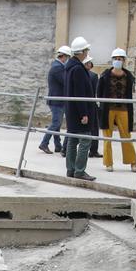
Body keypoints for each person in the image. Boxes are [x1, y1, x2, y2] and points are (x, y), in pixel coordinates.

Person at [96, 48, 136, 172]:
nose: (117, 61)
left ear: (123, 60)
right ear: (112, 60)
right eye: (115, 59)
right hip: (108, 109)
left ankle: (132, 162)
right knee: (107, 137)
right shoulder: (105, 75)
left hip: (124, 109)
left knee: (126, 136)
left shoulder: (128, 76)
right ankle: (108, 163)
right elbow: (99, 92)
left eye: (120, 59)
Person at [63, 37, 97, 181]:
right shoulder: (77, 69)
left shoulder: (70, 67)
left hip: (71, 110)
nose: (87, 52)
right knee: (84, 140)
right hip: (79, 111)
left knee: (72, 140)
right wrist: (84, 113)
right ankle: (79, 170)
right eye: (86, 50)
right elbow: (79, 92)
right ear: (81, 52)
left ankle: (71, 169)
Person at [38, 45, 71, 155]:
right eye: (68, 58)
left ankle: (58, 145)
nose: (68, 60)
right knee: (56, 123)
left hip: (58, 100)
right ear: (63, 57)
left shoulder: (58, 66)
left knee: (57, 123)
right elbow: (65, 81)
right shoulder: (57, 67)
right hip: (56, 100)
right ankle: (44, 143)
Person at [84, 56, 101, 158]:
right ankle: (93, 150)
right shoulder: (93, 76)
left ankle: (65, 148)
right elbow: (96, 91)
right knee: (94, 128)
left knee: (74, 129)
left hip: (81, 104)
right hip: (91, 104)